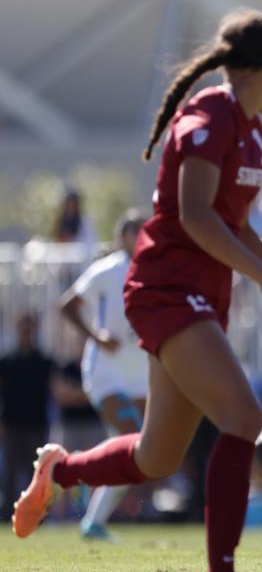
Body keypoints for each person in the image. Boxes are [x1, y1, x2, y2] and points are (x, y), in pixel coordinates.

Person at [11, 10, 262, 572]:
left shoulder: (252, 129)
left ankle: (58, 473)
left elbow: (236, 224)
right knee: (244, 418)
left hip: (199, 294)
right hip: (165, 289)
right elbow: (194, 216)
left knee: (156, 457)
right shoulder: (210, 114)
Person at [58, 210, 149, 540]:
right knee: (131, 440)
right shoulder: (107, 270)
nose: (141, 235)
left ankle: (93, 518)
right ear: (122, 236)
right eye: (135, 230)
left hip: (141, 375)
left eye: (145, 228)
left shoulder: (155, 269)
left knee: (140, 451)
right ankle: (77, 472)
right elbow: (67, 304)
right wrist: (97, 336)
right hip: (105, 374)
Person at [0, 313, 55, 522]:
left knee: (37, 475)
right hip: (12, 426)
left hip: (37, 426)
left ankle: (37, 516)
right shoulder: (6, 361)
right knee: (10, 476)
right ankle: (7, 516)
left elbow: (54, 391)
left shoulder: (44, 361)